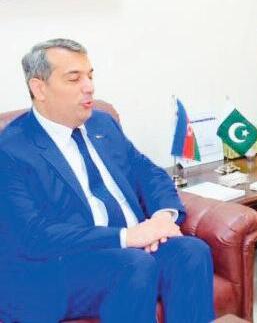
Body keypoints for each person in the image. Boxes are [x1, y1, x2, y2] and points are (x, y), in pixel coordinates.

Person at [0, 39, 214, 323]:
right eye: (74, 78)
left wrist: (162, 218)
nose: (89, 87)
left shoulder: (102, 123)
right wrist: (126, 237)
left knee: (192, 251)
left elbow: (147, 172)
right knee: (133, 265)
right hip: (61, 266)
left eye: (90, 75)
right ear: (39, 88)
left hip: (132, 248)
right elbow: (34, 235)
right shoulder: (12, 149)